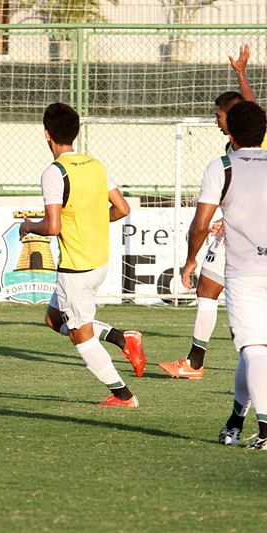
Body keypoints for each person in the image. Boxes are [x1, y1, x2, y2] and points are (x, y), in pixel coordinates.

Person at [20, 102, 141, 407]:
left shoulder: (54, 172)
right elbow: (122, 208)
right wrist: (96, 220)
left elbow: (53, 225)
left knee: (80, 336)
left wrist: (29, 226)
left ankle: (123, 395)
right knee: (52, 319)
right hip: (99, 260)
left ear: (47, 134)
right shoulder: (95, 164)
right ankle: (123, 339)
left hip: (76, 267)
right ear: (76, 132)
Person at [160, 44, 261, 379]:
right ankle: (195, 362)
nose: (214, 120)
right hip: (243, 229)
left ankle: (196, 364)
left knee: (212, 293)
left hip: (246, 236)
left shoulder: (252, 143)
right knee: (209, 289)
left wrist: (242, 74)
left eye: (218, 115)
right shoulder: (233, 147)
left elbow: (252, 106)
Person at [180, 100, 267, 449]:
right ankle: (235, 421)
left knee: (254, 349)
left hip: (245, 272)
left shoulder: (222, 167)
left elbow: (201, 224)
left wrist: (189, 261)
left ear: (230, 131)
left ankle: (265, 431)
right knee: (255, 351)